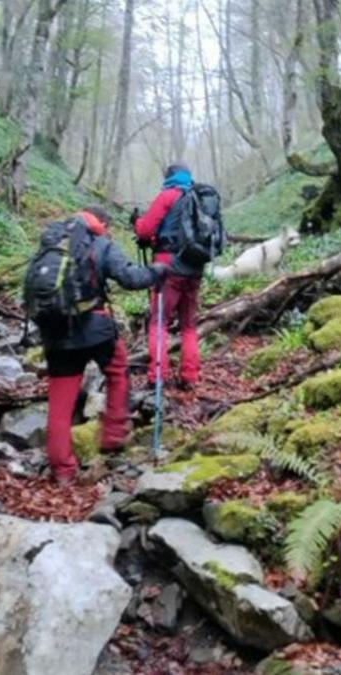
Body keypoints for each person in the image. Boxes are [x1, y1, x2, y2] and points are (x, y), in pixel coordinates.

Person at [31, 207, 165, 484]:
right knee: (117, 372)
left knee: (60, 402)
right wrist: (157, 271)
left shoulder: (52, 239)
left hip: (54, 332)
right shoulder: (100, 243)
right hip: (94, 328)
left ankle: (63, 469)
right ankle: (114, 435)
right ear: (101, 223)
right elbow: (130, 278)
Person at [133, 162, 205, 390]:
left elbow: (145, 230)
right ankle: (190, 376)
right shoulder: (199, 200)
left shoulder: (168, 196)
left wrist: (137, 223)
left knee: (159, 323)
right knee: (189, 326)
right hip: (195, 268)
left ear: (169, 177)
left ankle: (158, 377)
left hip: (168, 268)